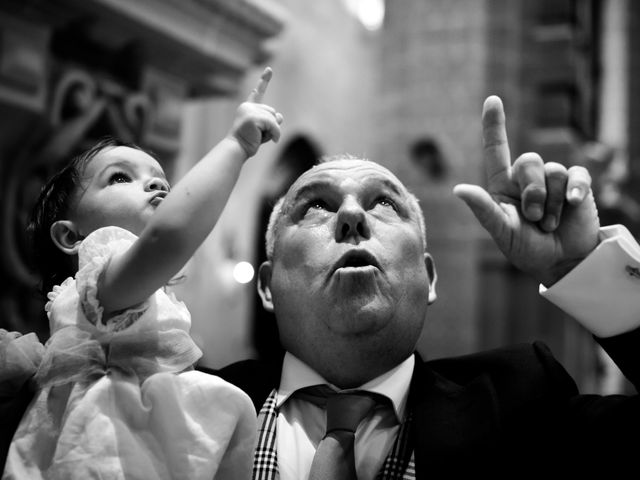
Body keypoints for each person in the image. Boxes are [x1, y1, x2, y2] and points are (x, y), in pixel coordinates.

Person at [212, 95, 640, 478]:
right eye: (316, 205)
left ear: (429, 277)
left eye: (384, 203)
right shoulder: (189, 404)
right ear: (266, 285)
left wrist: (583, 267)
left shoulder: (521, 406)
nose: (351, 216)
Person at [1, 68, 283, 480]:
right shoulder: (95, 284)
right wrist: (235, 145)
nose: (157, 188)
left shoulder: (139, 296)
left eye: (161, 181)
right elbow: (169, 235)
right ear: (70, 236)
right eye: (120, 177)